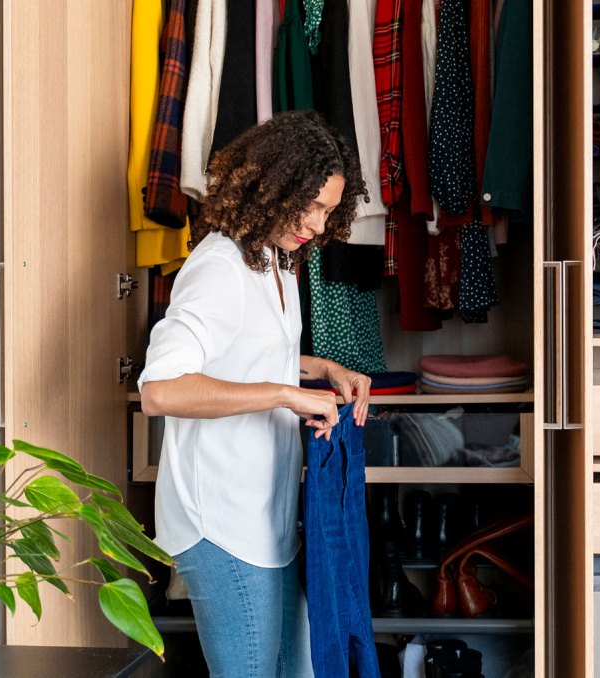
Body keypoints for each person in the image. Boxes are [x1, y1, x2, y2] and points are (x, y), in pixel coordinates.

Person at [139, 110, 373, 677]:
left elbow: (243, 352)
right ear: (274, 186)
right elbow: (161, 389)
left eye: (329, 211)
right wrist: (285, 395)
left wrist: (319, 369)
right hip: (220, 519)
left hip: (266, 513)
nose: (320, 225)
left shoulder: (274, 259)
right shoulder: (218, 266)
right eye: (313, 206)